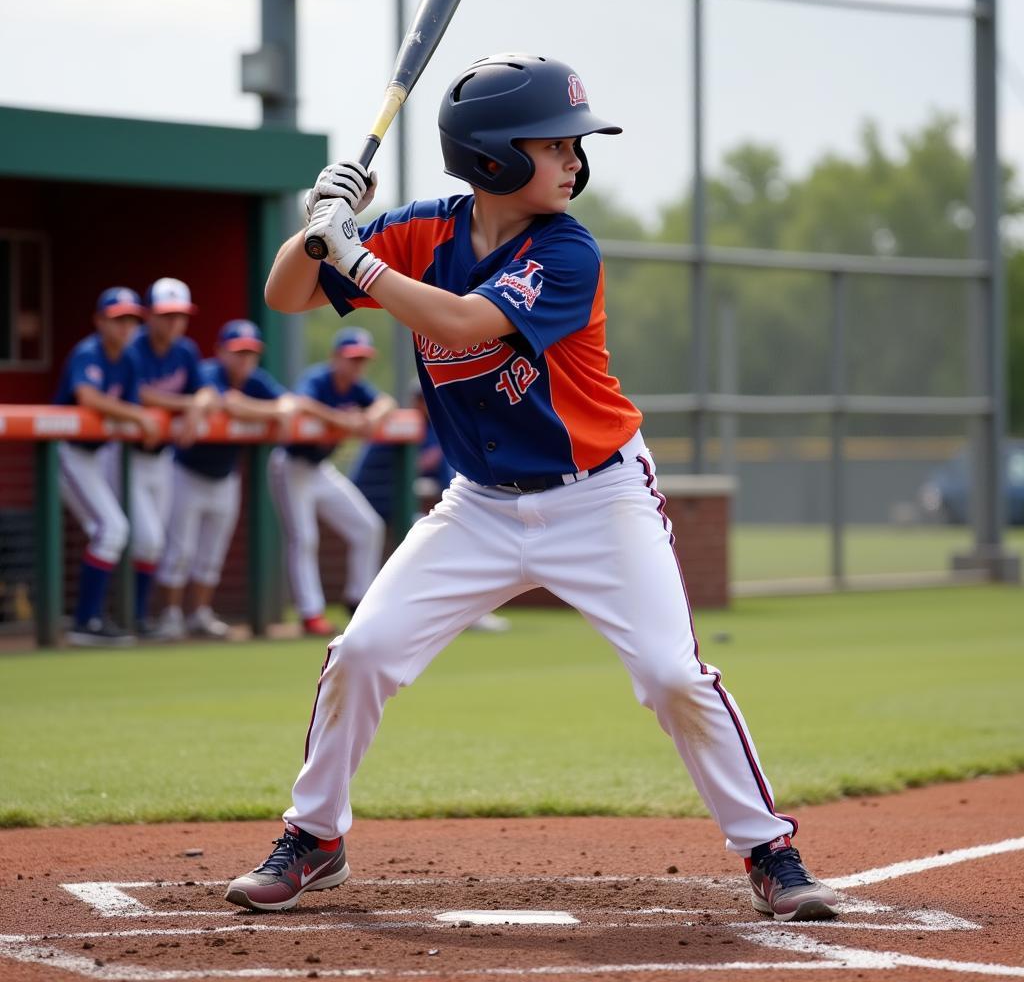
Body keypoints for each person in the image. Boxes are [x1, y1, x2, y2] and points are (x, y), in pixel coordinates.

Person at [225, 54, 839, 923]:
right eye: (553, 146)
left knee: (671, 675)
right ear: (491, 159)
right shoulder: (417, 232)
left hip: (599, 497)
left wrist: (355, 257)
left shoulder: (565, 248)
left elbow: (462, 319)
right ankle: (316, 840)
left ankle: (771, 851)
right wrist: (318, 223)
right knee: (360, 654)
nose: (574, 163)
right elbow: (285, 292)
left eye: (574, 147)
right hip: (478, 505)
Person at [153, 320, 294, 640]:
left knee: (211, 553)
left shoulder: (256, 380)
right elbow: (227, 402)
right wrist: (271, 412)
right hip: (186, 472)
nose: (244, 360)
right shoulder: (208, 371)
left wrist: (273, 409)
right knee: (180, 551)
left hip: (225, 476)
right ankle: (170, 615)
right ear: (221, 351)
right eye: (237, 352)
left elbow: (289, 403)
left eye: (250, 353)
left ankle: (199, 614)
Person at [349, 379, 509, 632]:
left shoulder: (438, 428)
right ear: (415, 401)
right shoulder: (404, 422)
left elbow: (446, 478)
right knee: (439, 540)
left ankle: (459, 611)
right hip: (372, 499)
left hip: (398, 504)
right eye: (423, 398)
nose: (429, 403)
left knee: (450, 538)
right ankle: (444, 612)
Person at [268, 326, 396, 638]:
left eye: (362, 360)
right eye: (352, 359)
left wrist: (371, 417)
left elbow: (386, 402)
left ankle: (357, 600)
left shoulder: (356, 388)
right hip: (292, 464)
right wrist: (343, 421)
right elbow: (301, 403)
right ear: (336, 357)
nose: (357, 366)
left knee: (368, 527)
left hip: (320, 468)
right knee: (304, 537)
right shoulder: (319, 378)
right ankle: (310, 613)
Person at [54, 287, 160, 646]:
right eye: (118, 319)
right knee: (111, 529)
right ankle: (85, 621)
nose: (125, 327)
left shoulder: (128, 359)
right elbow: (88, 397)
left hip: (99, 455)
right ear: (100, 321)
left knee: (129, 535)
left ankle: (108, 617)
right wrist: (137, 417)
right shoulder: (88, 352)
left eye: (131, 320)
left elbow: (129, 408)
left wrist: (139, 420)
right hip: (68, 452)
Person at [115, 278, 218, 635]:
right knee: (133, 537)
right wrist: (189, 404)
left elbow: (207, 391)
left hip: (160, 458)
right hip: (121, 455)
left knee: (154, 541)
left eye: (180, 315)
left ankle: (139, 616)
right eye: (166, 315)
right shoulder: (133, 347)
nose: (174, 323)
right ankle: (120, 615)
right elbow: (138, 394)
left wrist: (198, 405)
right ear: (150, 316)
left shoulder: (185, 350)